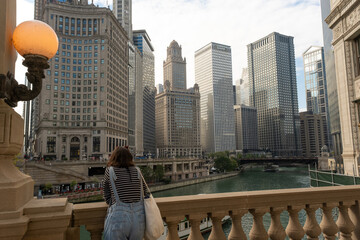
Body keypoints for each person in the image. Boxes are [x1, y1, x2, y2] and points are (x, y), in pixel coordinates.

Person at [102, 146, 149, 240]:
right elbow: (146, 192)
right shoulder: (137, 170)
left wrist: (115, 203)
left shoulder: (109, 171)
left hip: (118, 217)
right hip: (139, 217)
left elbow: (106, 194)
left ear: (114, 157)